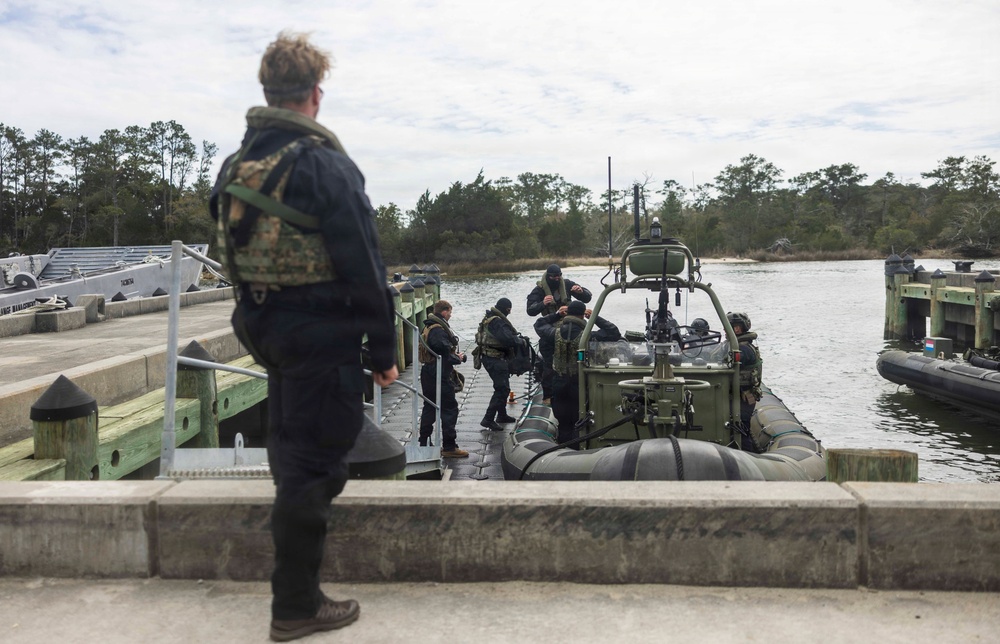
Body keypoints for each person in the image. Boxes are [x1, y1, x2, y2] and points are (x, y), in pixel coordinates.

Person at [209, 32, 398, 642]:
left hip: (264, 329)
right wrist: (384, 351)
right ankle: (296, 606)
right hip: (319, 335)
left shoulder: (237, 166)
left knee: (292, 448)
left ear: (268, 92)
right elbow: (365, 268)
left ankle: (295, 590)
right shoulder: (323, 166)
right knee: (315, 465)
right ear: (315, 94)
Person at [534, 300, 620, 446]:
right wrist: (595, 318)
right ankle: (578, 447)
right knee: (578, 418)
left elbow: (539, 324)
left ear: (567, 314)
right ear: (582, 315)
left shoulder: (554, 333)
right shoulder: (587, 336)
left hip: (559, 382)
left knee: (563, 420)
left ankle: (562, 446)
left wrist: (556, 314)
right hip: (579, 383)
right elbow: (614, 332)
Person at [526, 264, 592, 402]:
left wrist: (581, 292)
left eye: (559, 276)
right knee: (549, 364)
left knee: (576, 360)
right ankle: (548, 395)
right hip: (551, 327)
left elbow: (587, 297)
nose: (557, 279)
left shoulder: (567, 284)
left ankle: (578, 391)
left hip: (570, 326)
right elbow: (530, 310)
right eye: (554, 277)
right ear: (548, 277)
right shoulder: (539, 290)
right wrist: (543, 304)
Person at [418, 300, 469, 458]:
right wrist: (458, 358)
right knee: (449, 409)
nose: (451, 315)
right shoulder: (438, 330)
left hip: (428, 372)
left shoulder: (428, 326)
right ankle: (449, 447)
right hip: (438, 374)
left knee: (429, 407)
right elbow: (442, 352)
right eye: (450, 312)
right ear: (444, 311)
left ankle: (424, 443)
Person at [475, 297, 521, 431]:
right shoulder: (497, 322)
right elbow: (507, 339)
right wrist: (520, 341)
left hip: (488, 357)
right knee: (502, 389)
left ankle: (501, 415)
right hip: (494, 358)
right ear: (507, 309)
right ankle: (488, 419)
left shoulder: (489, 317)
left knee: (502, 386)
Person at [727, 311, 762, 446]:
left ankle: (748, 454)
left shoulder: (743, 349)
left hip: (743, 398)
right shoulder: (739, 345)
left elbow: (727, 362)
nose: (725, 331)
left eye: (728, 327)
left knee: (741, 431)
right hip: (739, 397)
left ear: (736, 328)